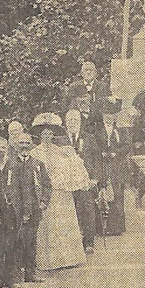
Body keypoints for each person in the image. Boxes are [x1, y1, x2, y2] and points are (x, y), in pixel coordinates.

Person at [31, 117, 87, 271]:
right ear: (40, 136)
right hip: (45, 193)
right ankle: (48, 261)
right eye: (44, 134)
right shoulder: (34, 152)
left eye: (50, 134)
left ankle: (67, 259)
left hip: (61, 192)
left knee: (63, 225)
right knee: (47, 225)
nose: (47, 137)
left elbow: (70, 170)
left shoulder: (60, 151)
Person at [11, 132, 52, 283]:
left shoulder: (38, 164)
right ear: (16, 146)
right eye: (21, 143)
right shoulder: (11, 164)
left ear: (31, 145)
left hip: (34, 209)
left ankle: (30, 273)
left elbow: (47, 185)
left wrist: (43, 202)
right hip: (16, 211)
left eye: (27, 143)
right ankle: (15, 274)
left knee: (31, 242)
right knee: (16, 242)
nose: (24, 146)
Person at [64, 108, 100, 254]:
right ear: (66, 122)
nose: (73, 123)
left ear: (80, 122)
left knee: (88, 211)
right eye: (70, 120)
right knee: (70, 212)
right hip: (67, 183)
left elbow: (97, 159)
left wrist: (95, 179)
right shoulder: (60, 140)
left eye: (76, 120)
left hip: (86, 182)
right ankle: (72, 243)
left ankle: (89, 242)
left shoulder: (89, 138)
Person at [0, 136, 18, 287]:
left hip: (11, 211)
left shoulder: (14, 165)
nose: (1, 150)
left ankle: (11, 277)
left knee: (11, 244)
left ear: (7, 149)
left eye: (3, 147)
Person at [98, 100, 130, 236]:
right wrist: (101, 152)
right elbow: (94, 146)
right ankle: (102, 228)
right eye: (106, 115)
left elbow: (127, 146)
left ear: (115, 116)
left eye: (111, 115)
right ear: (103, 116)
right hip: (103, 166)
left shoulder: (121, 131)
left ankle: (117, 228)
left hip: (117, 167)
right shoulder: (97, 131)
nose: (109, 117)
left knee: (117, 197)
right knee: (103, 195)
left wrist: (116, 152)